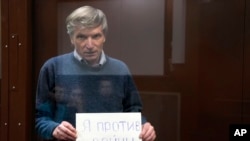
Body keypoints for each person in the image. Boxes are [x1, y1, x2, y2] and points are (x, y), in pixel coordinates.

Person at [35, 5, 156, 141]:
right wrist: (53, 129)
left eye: (96, 36)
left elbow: (134, 112)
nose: (90, 44)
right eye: (81, 37)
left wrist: (143, 126)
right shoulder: (53, 68)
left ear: (104, 36)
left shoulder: (120, 70)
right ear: (71, 38)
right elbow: (40, 119)